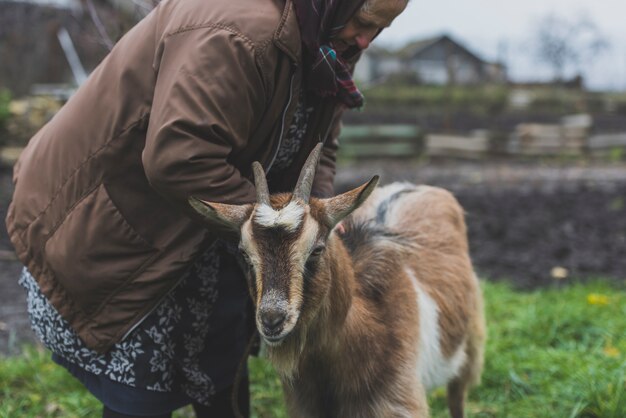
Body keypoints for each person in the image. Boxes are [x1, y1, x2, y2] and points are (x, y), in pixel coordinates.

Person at [6, 0, 408, 416]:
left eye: (379, 29)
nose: (364, 39)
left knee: (221, 351)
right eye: (363, 22)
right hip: (128, 219)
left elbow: (321, 142)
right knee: (141, 388)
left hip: (217, 220)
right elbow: (179, 159)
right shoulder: (237, 31)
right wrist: (274, 221)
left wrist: (317, 212)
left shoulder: (327, 38)